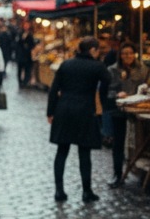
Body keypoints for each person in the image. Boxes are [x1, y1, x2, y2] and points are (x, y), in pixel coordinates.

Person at [47, 36, 111, 203]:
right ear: (92, 50)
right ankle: (86, 191)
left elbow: (54, 90)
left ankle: (59, 191)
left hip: (64, 110)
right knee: (84, 152)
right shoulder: (97, 66)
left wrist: (50, 112)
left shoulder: (66, 64)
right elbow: (108, 80)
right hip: (85, 111)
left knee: (62, 151)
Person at [106, 43, 146, 188]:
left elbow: (146, 87)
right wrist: (117, 94)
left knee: (139, 142)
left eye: (130, 53)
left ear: (134, 54)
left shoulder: (143, 69)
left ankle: (140, 173)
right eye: (124, 53)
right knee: (118, 143)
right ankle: (117, 173)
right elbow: (108, 91)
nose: (127, 56)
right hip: (119, 112)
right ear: (120, 55)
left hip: (138, 111)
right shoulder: (112, 70)